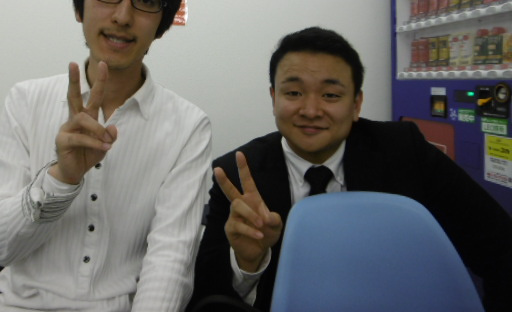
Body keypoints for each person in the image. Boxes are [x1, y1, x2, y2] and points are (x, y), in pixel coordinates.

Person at [188, 26, 512, 312]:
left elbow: (500, 248)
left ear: (356, 104)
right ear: (274, 98)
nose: (310, 110)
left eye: (330, 95)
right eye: (293, 93)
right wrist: (247, 264)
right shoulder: (236, 174)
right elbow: (207, 297)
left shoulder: (405, 151)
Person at [0, 0, 212, 312]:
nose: (122, 16)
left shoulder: (188, 127)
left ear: (162, 24)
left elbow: (170, 261)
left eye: (146, 1)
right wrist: (61, 178)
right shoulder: (25, 101)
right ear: (79, 6)